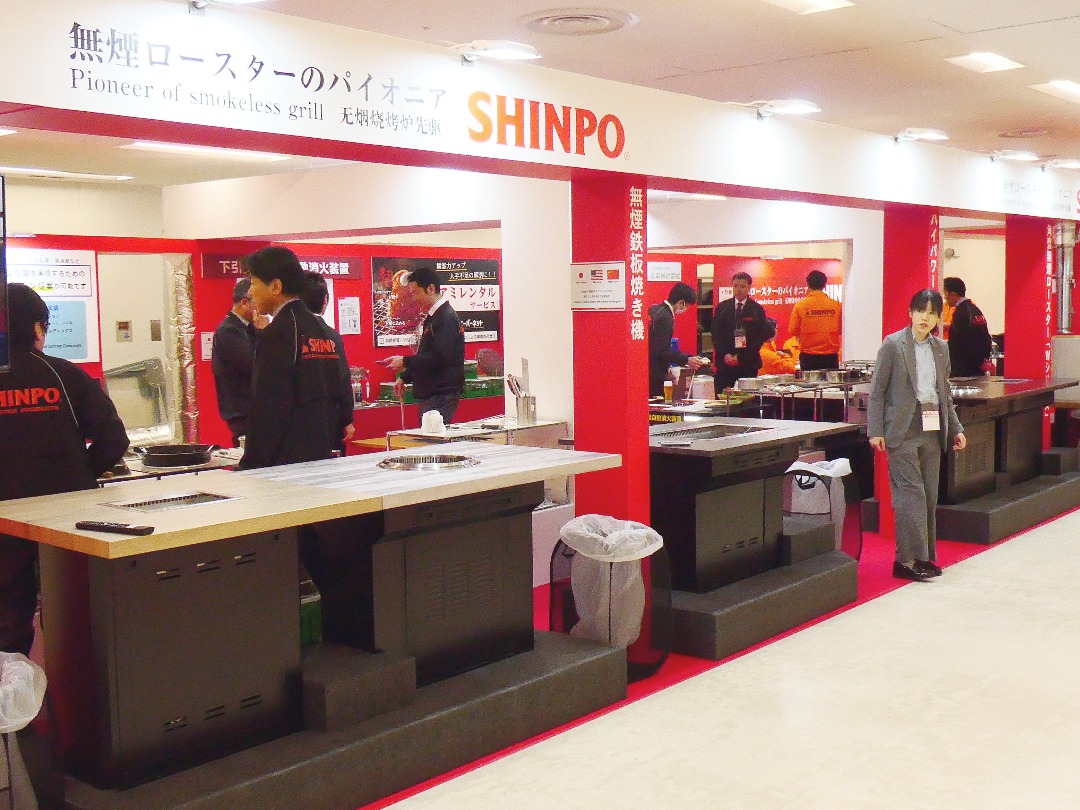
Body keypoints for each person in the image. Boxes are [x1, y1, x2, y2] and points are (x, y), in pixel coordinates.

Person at [0, 284, 129, 655]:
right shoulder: (64, 374)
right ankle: (71, 683)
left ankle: (15, 685)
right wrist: (80, 475)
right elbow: (114, 439)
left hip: (4, 520)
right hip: (67, 516)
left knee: (8, 617)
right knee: (72, 609)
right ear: (37, 328)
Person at [868, 289, 966, 583]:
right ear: (910, 313)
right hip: (901, 429)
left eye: (933, 313)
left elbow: (944, 394)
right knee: (911, 494)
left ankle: (922, 556)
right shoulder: (892, 345)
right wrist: (875, 431)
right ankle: (905, 561)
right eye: (921, 311)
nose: (926, 317)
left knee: (929, 494)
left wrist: (956, 428)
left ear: (938, 318)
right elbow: (877, 392)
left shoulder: (941, 348)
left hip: (932, 427)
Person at [238, 247, 354, 469]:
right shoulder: (323, 330)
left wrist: (250, 463)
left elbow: (267, 406)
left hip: (284, 461)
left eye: (253, 283)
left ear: (275, 286)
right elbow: (338, 388)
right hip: (320, 455)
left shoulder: (277, 334)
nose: (250, 292)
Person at [380, 267, 466, 425]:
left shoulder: (446, 318)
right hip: (433, 394)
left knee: (433, 438)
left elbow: (440, 357)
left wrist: (405, 361)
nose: (413, 298)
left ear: (431, 288)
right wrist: (405, 377)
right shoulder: (433, 317)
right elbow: (425, 353)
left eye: (415, 292)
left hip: (441, 394)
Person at [299, 271, 356, 454]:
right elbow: (343, 380)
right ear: (325, 300)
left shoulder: (291, 335)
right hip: (331, 420)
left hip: (299, 423)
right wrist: (347, 419)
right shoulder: (333, 337)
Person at [211, 277, 268, 446]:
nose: (262, 309)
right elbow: (254, 363)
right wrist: (263, 332)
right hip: (243, 411)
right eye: (258, 302)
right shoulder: (228, 331)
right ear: (244, 303)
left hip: (255, 409)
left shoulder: (247, 328)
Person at [648, 282, 709, 397]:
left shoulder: (655, 309)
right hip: (655, 373)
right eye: (687, 306)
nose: (685, 309)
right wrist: (686, 359)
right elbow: (662, 349)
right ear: (681, 302)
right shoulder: (666, 317)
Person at [711, 271, 768, 392]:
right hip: (725, 363)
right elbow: (716, 334)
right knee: (724, 398)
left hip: (748, 364)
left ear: (749, 288)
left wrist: (741, 358)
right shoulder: (722, 308)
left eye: (742, 286)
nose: (738, 290)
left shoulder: (757, 310)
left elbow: (759, 338)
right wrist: (726, 354)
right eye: (735, 286)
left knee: (748, 399)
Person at [788, 269, 842, 371]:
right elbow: (841, 329)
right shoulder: (837, 306)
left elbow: (793, 330)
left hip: (808, 356)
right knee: (830, 381)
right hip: (830, 355)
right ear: (824, 285)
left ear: (808, 285)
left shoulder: (800, 306)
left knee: (809, 382)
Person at [942, 276, 993, 378]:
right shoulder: (975, 309)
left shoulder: (961, 313)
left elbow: (958, 343)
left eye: (945, 293)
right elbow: (986, 339)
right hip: (976, 368)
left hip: (964, 370)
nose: (945, 298)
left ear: (953, 294)